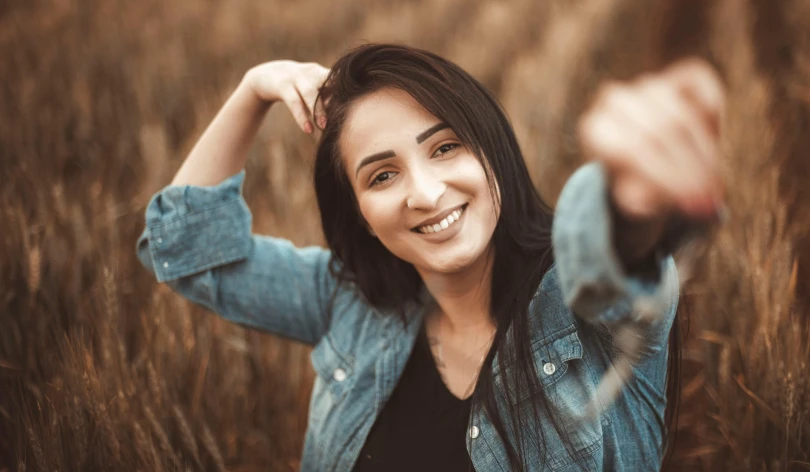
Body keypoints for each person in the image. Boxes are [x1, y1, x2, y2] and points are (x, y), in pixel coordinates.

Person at [136, 44, 724, 471]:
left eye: (445, 147)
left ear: (492, 150)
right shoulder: (350, 301)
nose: (425, 192)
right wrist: (254, 88)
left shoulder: (578, 309)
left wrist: (633, 201)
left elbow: (612, 251)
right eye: (382, 174)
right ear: (360, 212)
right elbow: (187, 252)